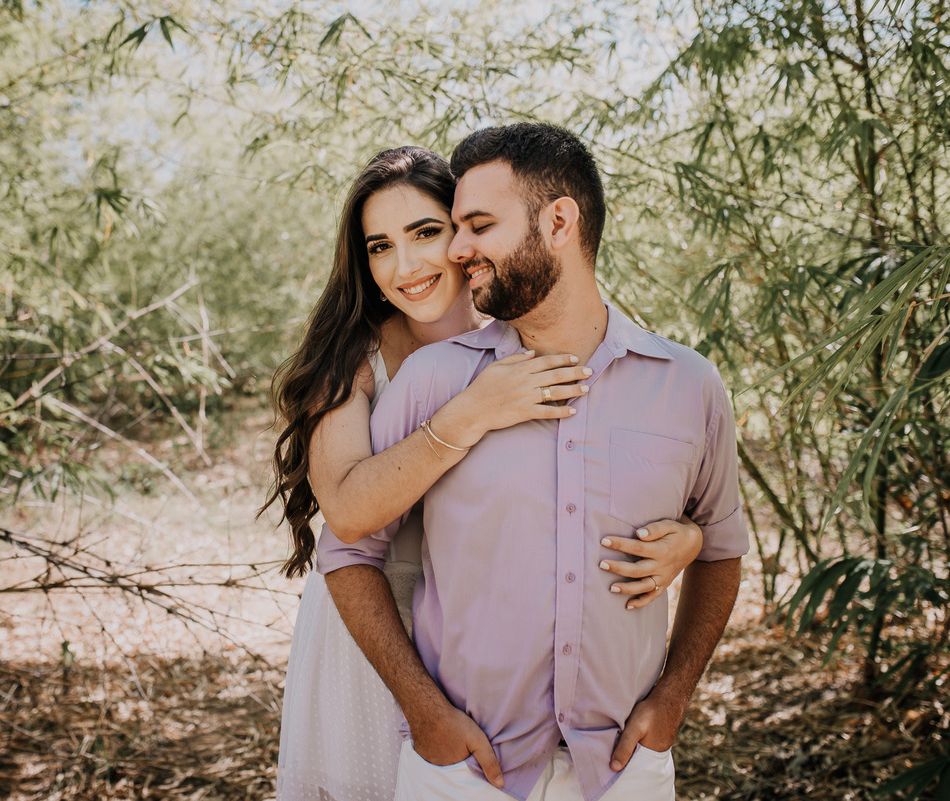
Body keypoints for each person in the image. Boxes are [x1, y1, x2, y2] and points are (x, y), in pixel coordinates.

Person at [317, 123, 749, 801]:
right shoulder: (429, 382)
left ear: (559, 221)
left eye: (477, 226)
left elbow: (722, 548)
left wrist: (673, 699)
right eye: (453, 228)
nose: (458, 251)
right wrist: (426, 714)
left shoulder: (688, 385)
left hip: (624, 770)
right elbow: (347, 547)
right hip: (463, 773)